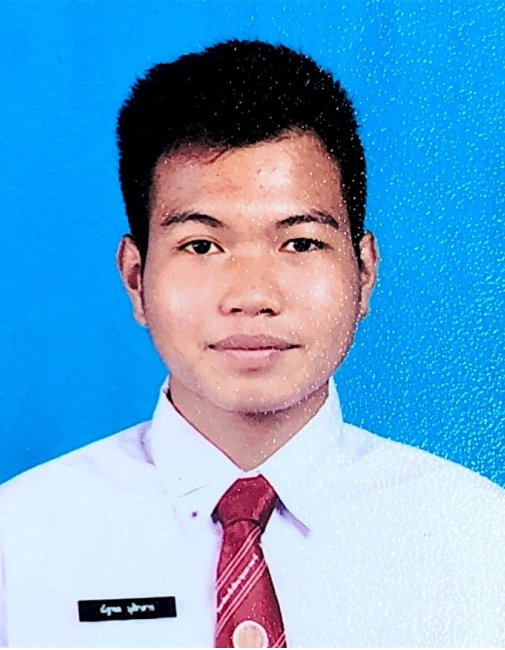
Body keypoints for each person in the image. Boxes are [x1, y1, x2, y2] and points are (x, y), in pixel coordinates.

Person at [0, 39, 504, 648]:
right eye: (202, 246)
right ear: (135, 278)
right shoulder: (20, 542)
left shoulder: (479, 539)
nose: (252, 296)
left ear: (365, 273)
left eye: (300, 243)